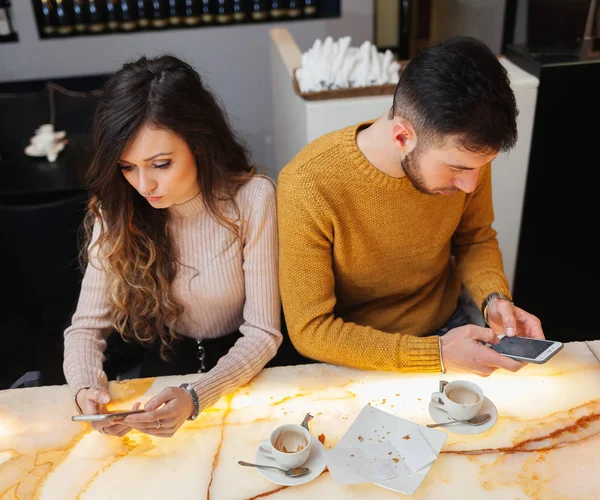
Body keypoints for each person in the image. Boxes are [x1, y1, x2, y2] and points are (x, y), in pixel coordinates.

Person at [277, 36, 544, 377]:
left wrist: (494, 299)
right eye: (458, 169)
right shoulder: (307, 183)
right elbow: (311, 330)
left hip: (449, 325)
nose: (470, 184)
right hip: (357, 349)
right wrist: (436, 353)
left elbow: (474, 239)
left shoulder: (466, 153)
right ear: (403, 137)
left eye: (480, 167)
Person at [64, 55, 281, 438]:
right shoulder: (117, 211)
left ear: (198, 144)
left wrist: (197, 395)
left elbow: (263, 332)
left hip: (247, 367)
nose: (143, 185)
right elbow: (85, 329)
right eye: (127, 167)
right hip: (163, 362)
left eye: (160, 163)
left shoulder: (252, 200)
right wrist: (87, 391)